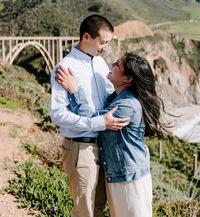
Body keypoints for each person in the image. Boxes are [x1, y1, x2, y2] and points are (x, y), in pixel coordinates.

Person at [55, 52, 171, 217]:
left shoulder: (126, 106)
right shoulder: (116, 99)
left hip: (129, 181)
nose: (112, 65)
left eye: (117, 65)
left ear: (127, 79)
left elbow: (91, 119)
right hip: (121, 177)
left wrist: (74, 89)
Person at [50, 14, 129, 217]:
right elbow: (57, 114)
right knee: (85, 211)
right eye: (102, 42)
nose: (105, 48)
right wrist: (98, 122)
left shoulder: (101, 64)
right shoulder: (64, 68)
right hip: (81, 146)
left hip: (104, 146)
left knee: (99, 207)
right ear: (86, 36)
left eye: (108, 43)